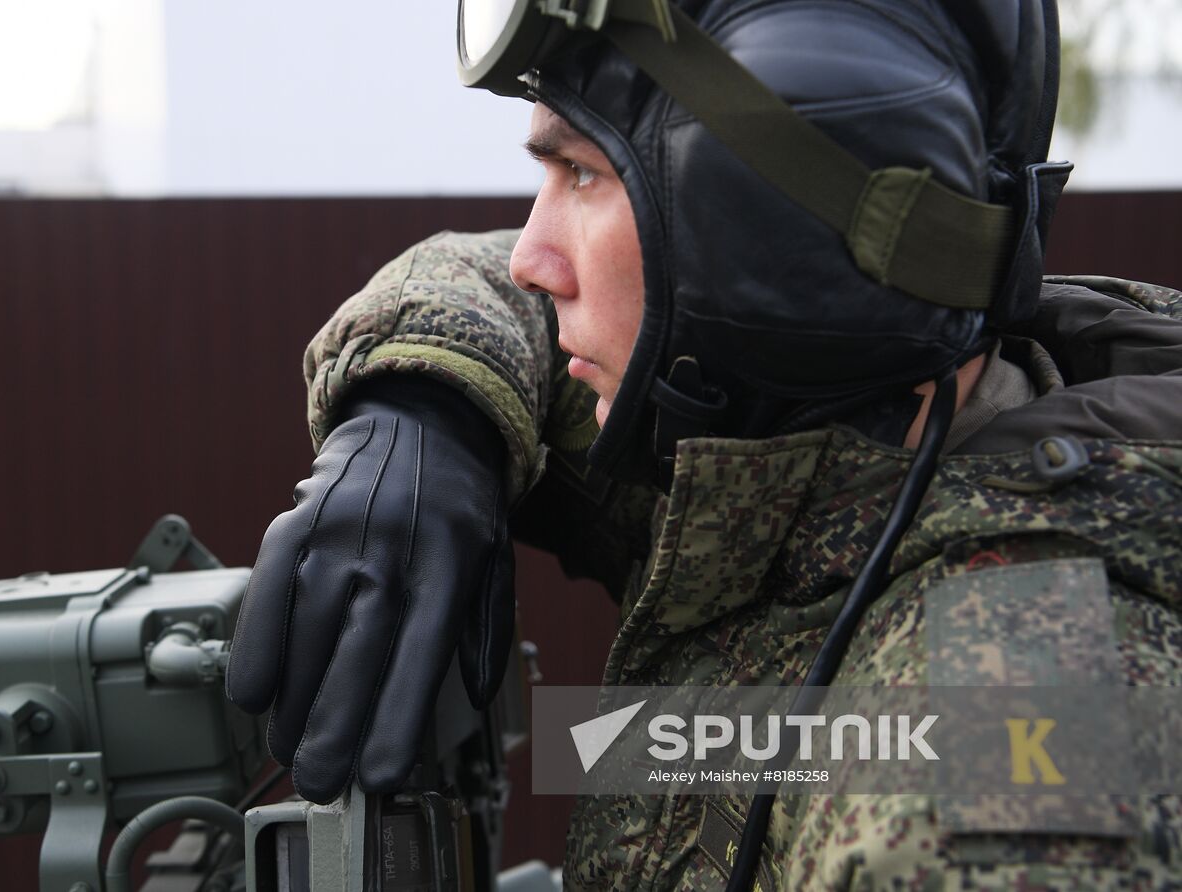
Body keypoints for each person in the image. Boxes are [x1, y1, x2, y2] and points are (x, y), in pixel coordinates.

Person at [228, 0, 1182, 887]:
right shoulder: (789, 458)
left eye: (583, 174)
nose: (531, 257)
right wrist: (426, 404)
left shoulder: (987, 765)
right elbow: (477, 274)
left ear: (766, 242)